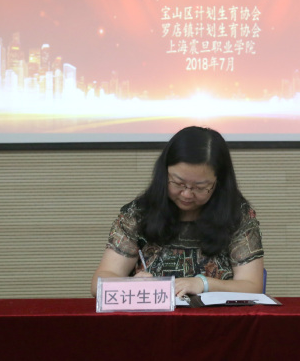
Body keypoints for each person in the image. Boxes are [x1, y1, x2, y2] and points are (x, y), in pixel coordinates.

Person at [91, 126, 264, 298]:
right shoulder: (138, 214)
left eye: (200, 187)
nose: (187, 194)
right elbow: (99, 284)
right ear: (164, 174)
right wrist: (129, 285)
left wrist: (203, 284)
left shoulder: (237, 216)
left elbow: (252, 286)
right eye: (178, 183)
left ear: (219, 182)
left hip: (215, 316)